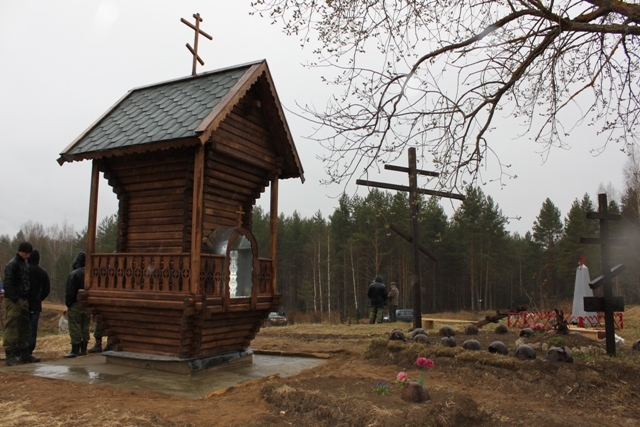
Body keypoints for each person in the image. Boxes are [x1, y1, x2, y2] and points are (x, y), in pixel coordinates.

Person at [3, 242, 40, 366]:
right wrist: (14, 298)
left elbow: (25, 281)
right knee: (12, 327)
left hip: (24, 299)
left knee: (25, 327)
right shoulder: (12, 264)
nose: (28, 255)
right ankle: (9, 355)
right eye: (27, 253)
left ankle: (24, 353)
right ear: (22, 251)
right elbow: (8, 282)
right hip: (15, 300)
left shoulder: (24, 263)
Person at [64, 252, 91, 358]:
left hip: (75, 304)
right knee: (85, 326)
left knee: (75, 326)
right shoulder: (90, 273)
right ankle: (84, 349)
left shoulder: (74, 274)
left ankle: (75, 349)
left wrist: (69, 303)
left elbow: (70, 291)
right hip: (87, 304)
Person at [27, 249, 51, 355]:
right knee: (33, 329)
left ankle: (20, 350)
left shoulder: (24, 270)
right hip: (36, 305)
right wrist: (39, 298)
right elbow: (47, 289)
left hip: (24, 304)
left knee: (22, 328)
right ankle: (29, 350)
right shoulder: (43, 272)